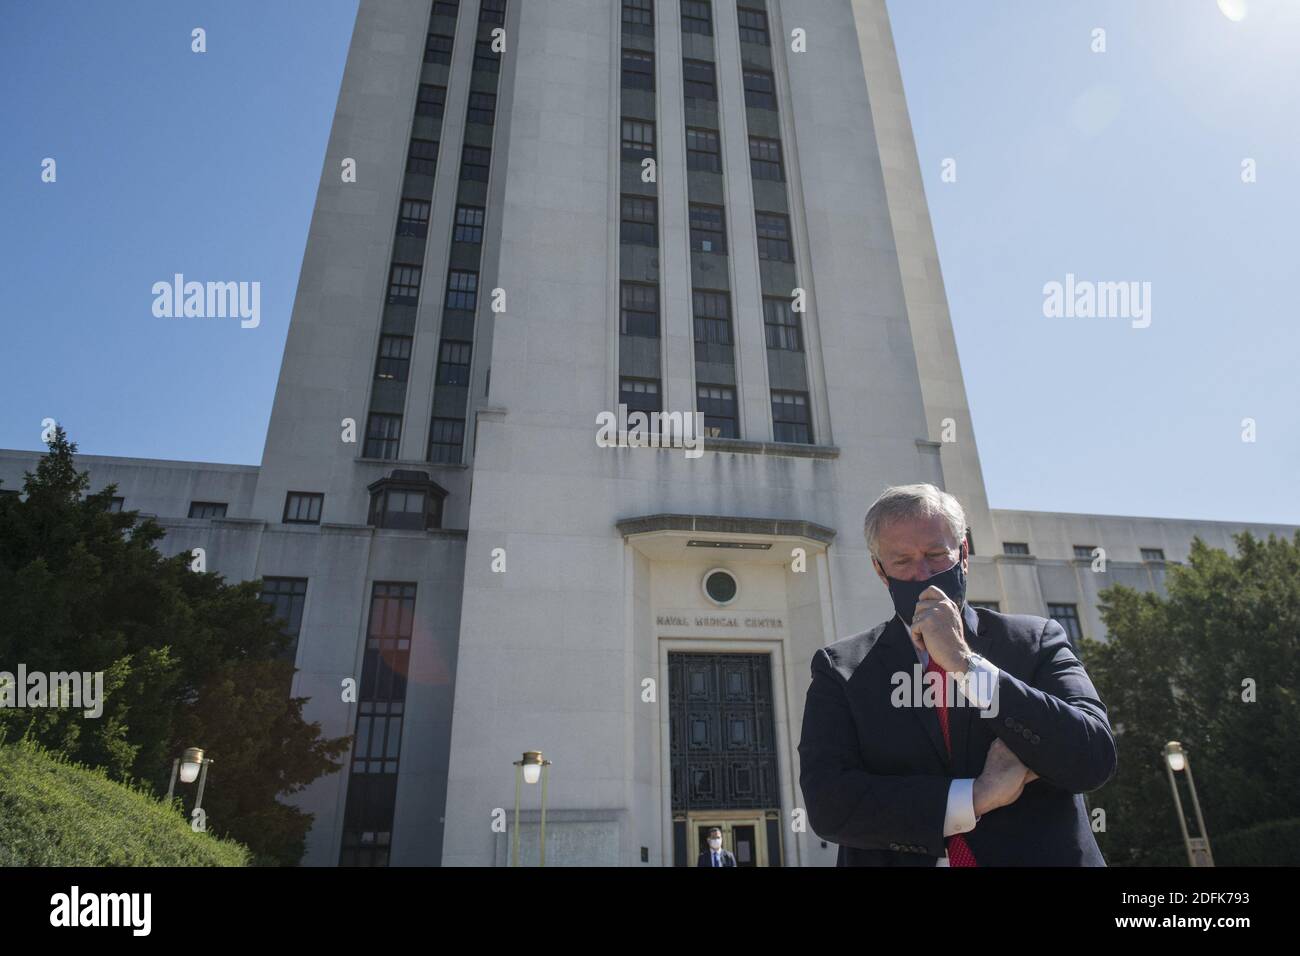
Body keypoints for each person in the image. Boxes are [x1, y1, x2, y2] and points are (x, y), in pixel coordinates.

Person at [798, 483, 1117, 865]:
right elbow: (830, 806)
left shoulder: (1035, 641)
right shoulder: (842, 670)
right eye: (902, 561)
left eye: (936, 555)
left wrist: (967, 665)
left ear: (963, 554)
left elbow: (1092, 756)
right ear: (880, 570)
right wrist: (976, 796)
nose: (922, 573)